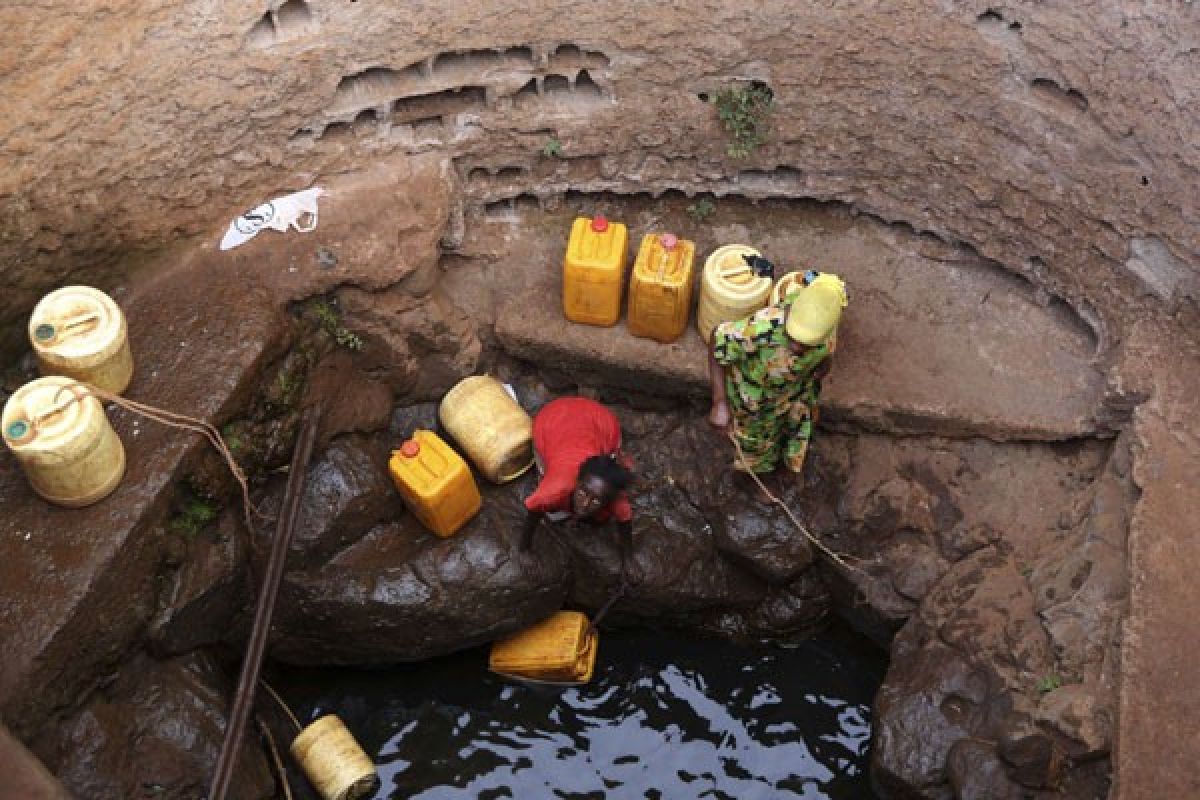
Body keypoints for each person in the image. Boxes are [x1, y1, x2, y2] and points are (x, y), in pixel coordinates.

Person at [707, 270, 847, 492]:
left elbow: (827, 350)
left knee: (797, 432)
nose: (797, 348)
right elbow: (717, 338)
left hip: (797, 393)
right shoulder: (762, 329)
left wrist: (823, 366)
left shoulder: (823, 323)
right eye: (793, 339)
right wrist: (720, 402)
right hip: (755, 402)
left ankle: (788, 468)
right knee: (754, 447)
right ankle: (751, 479)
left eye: (806, 344)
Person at [518, 396, 638, 578]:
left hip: (600, 418)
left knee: (600, 516)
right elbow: (533, 509)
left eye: (596, 500)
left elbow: (625, 521)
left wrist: (629, 559)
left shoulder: (617, 501)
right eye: (583, 492)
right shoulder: (554, 490)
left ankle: (616, 458)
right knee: (544, 471)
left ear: (609, 499)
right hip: (553, 419)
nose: (585, 503)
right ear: (577, 481)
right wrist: (524, 550)